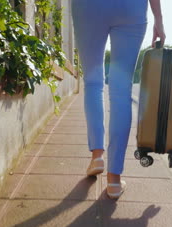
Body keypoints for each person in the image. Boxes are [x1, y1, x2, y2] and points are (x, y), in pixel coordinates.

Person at [71, 0, 166, 199]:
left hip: (89, 7)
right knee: (121, 91)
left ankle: (97, 156)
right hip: (131, 7)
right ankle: (114, 179)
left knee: (93, 82)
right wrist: (159, 19)